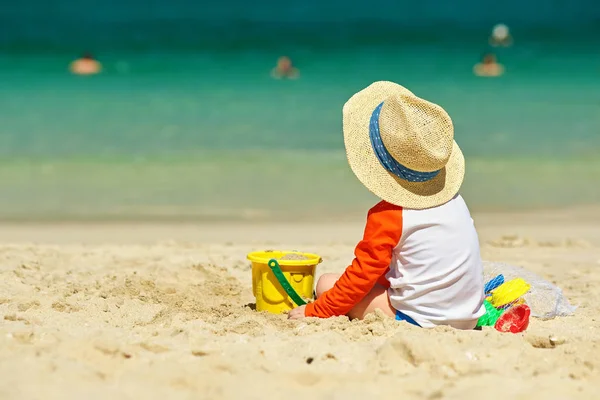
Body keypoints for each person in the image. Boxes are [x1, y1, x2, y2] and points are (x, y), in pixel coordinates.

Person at [288, 81, 486, 330]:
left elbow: (363, 275)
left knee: (327, 283)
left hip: (421, 321)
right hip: (468, 315)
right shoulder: (455, 201)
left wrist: (317, 310)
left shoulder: (388, 216)